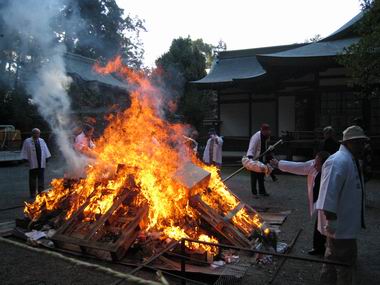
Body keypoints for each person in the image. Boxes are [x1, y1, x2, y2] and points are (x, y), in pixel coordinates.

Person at [316, 125, 368, 285]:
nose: (362, 146)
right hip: (340, 227)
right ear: (348, 143)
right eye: (359, 143)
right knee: (344, 267)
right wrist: (331, 221)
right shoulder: (338, 161)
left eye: (362, 143)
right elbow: (327, 194)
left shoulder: (349, 160)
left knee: (332, 263)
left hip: (345, 225)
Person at [270, 151, 330, 255]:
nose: (314, 165)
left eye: (317, 164)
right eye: (315, 162)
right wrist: (279, 164)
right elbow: (300, 167)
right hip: (320, 202)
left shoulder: (330, 172)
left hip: (329, 203)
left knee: (328, 226)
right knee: (319, 224)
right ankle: (319, 248)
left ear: (325, 164)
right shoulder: (314, 166)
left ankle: (327, 248)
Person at [21, 128, 51, 198]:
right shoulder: (27, 141)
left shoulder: (42, 140)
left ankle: (41, 192)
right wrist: (25, 160)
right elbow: (25, 151)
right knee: (32, 179)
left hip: (41, 162)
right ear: (32, 134)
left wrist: (47, 158)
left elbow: (45, 150)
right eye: (35, 133)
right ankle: (33, 193)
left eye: (38, 133)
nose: (36, 134)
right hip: (33, 162)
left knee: (41, 178)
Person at [247, 124, 271, 196]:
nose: (267, 132)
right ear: (262, 130)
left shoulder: (266, 136)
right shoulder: (256, 137)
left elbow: (265, 146)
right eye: (266, 131)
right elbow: (251, 147)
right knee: (254, 176)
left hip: (261, 158)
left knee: (261, 175)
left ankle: (262, 191)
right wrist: (250, 159)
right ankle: (254, 193)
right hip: (254, 158)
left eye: (268, 131)